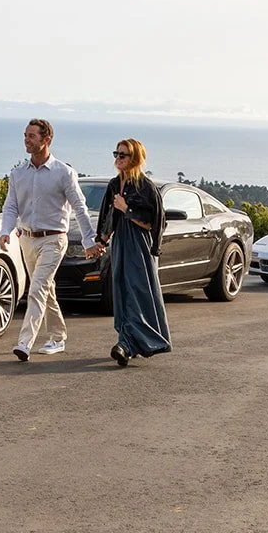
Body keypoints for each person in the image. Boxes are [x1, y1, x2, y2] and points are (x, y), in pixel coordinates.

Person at [0, 119, 100, 361]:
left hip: (54, 240)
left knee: (36, 289)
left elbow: (79, 207)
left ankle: (25, 342)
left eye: (32, 136)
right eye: (25, 135)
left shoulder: (63, 173)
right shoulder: (18, 174)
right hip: (27, 240)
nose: (26, 139)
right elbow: (11, 206)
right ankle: (57, 336)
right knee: (46, 289)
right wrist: (5, 230)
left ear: (46, 140)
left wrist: (89, 241)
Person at [97, 139, 171, 366]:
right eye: (116, 154)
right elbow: (107, 216)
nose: (118, 159)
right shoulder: (113, 185)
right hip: (120, 242)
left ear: (135, 159)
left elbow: (155, 222)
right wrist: (101, 240)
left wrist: (127, 209)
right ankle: (128, 342)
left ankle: (127, 344)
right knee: (121, 291)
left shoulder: (146, 187)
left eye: (123, 155)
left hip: (139, 244)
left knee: (137, 291)